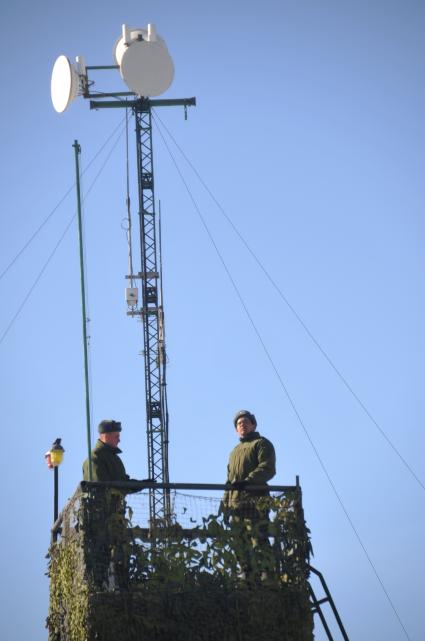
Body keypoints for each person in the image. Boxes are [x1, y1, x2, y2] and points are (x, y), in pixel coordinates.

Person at [223, 409, 276, 580]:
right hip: (236, 505)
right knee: (239, 542)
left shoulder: (261, 444)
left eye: (246, 422)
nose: (242, 425)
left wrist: (248, 481)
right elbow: (229, 480)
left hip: (256, 501)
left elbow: (267, 468)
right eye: (239, 423)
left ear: (253, 424)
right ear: (236, 429)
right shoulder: (234, 452)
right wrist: (224, 505)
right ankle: (247, 574)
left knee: (258, 538)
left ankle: (266, 575)